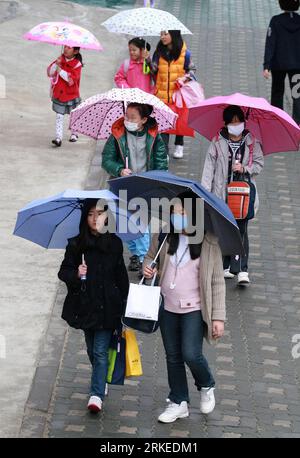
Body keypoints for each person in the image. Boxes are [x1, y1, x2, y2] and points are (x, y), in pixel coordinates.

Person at [143, 192, 226, 423]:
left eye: (184, 213)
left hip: (194, 310)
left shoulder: (209, 242)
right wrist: (148, 268)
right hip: (167, 306)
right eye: (175, 213)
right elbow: (149, 258)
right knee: (173, 356)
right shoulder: (164, 237)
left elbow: (217, 281)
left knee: (191, 353)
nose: (178, 218)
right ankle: (178, 401)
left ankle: (206, 384)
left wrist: (218, 317)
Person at [58, 199, 129, 413]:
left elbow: (121, 277)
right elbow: (63, 272)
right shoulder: (76, 244)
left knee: (99, 351)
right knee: (91, 349)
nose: (95, 218)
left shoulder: (114, 244)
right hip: (85, 306)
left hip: (108, 307)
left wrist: (127, 307)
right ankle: (101, 378)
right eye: (90, 214)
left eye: (100, 213)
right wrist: (76, 274)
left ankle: (96, 394)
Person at [201, 105, 264, 286]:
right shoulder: (217, 142)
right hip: (221, 194)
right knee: (224, 229)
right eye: (232, 122)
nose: (235, 125)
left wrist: (245, 168)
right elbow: (208, 169)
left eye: (238, 121)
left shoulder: (252, 142)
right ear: (226, 123)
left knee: (242, 230)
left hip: (242, 195)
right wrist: (205, 192)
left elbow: (259, 164)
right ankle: (227, 266)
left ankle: (243, 269)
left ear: (244, 122)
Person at [102, 102, 168, 273]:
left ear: (144, 119)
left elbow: (161, 163)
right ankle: (137, 254)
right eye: (126, 116)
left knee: (141, 224)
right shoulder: (117, 135)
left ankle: (143, 258)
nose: (128, 120)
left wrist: (156, 180)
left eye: (133, 118)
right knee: (124, 222)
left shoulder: (154, 137)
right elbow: (106, 160)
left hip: (145, 186)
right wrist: (119, 169)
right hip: (123, 184)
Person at [150, 30, 196, 159]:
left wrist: (184, 79)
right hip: (162, 94)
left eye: (165, 34)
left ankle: (179, 144)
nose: (162, 37)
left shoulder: (185, 53)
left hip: (178, 95)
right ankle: (164, 150)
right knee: (163, 123)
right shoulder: (158, 53)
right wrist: (147, 59)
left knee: (179, 121)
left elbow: (192, 70)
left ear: (174, 35)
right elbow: (154, 71)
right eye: (161, 34)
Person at [263, 0, 300, 125]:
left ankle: (278, 120)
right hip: (297, 65)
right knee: (297, 93)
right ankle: (297, 122)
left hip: (279, 65)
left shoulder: (276, 21)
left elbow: (270, 43)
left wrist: (266, 65)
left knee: (277, 92)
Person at [47, 45, 83, 147]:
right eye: (65, 46)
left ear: (75, 51)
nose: (66, 49)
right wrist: (56, 65)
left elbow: (71, 79)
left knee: (73, 114)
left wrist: (60, 71)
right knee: (59, 115)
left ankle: (74, 133)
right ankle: (58, 138)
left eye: (69, 47)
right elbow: (50, 73)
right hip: (59, 93)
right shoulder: (59, 59)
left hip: (71, 94)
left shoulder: (77, 65)